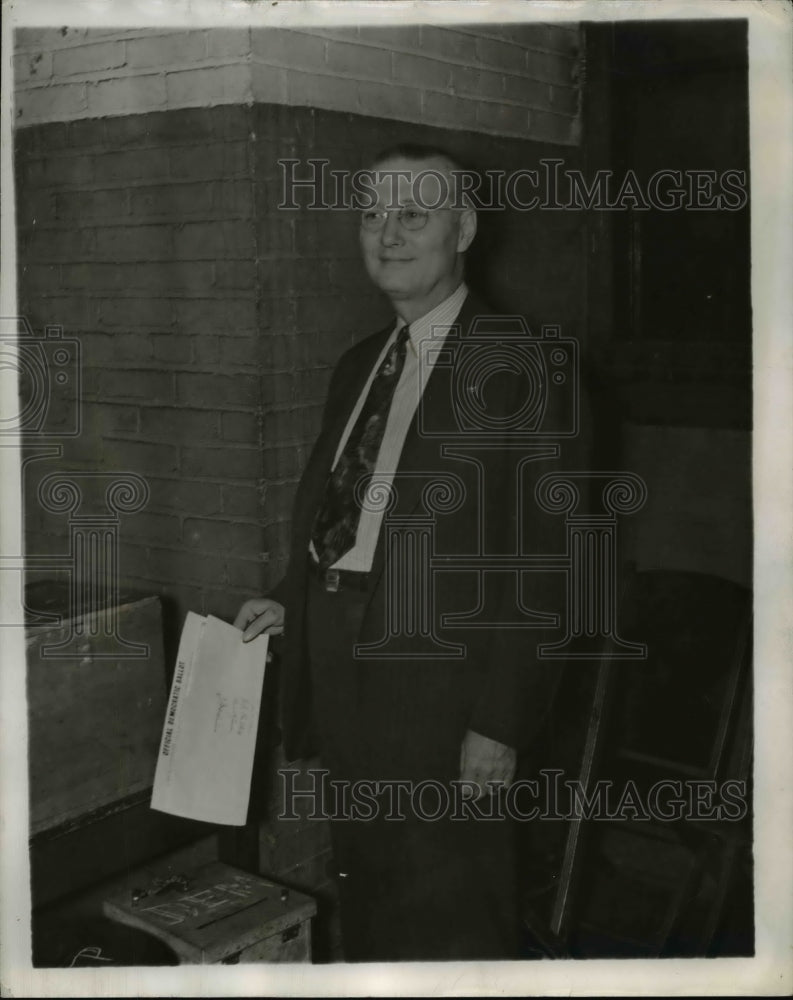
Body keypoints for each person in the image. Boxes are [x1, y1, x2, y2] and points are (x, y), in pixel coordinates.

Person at [234, 143, 569, 961]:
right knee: (372, 891)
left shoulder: (516, 361)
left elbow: (551, 561)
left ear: (463, 228)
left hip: (446, 690)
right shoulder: (360, 364)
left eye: (413, 215)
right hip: (347, 668)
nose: (387, 234)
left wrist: (499, 722)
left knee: (454, 912)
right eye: (372, 214)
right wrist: (295, 593)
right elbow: (349, 511)